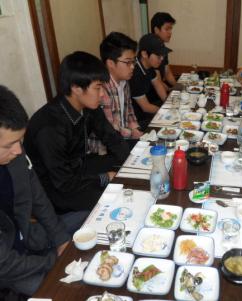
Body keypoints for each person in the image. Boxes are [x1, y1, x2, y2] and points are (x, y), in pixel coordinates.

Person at [24, 51, 130, 215]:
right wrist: (104, 178)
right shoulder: (49, 127)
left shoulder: (87, 105)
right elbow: (63, 182)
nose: (102, 94)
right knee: (114, 199)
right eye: (98, 87)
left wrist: (131, 165)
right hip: (55, 188)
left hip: (78, 167)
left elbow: (111, 137)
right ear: (76, 88)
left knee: (125, 160)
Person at [0, 85, 70, 296]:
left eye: (20, 140)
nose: (19, 150)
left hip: (25, 236)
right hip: (8, 266)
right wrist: (54, 261)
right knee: (61, 290)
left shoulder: (15, 155)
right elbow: (4, 262)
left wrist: (61, 240)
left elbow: (38, 198)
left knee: (85, 223)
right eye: (9, 145)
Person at [97, 32, 143, 150]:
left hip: (124, 139)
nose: (133, 66)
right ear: (110, 63)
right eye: (128, 62)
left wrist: (136, 129)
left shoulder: (124, 81)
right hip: (107, 149)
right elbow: (111, 131)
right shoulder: (101, 88)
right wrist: (132, 133)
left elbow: (130, 113)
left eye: (134, 61)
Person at [129, 33, 171, 128]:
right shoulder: (135, 73)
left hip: (146, 112)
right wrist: (166, 111)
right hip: (137, 119)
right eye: (158, 56)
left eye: (162, 56)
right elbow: (146, 107)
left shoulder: (149, 65)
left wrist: (168, 104)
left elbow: (158, 84)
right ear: (144, 54)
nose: (162, 59)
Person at [151, 12, 177, 88]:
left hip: (161, 88)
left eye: (171, 29)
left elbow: (167, 72)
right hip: (152, 93)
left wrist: (177, 86)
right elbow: (157, 81)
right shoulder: (150, 47)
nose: (170, 32)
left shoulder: (162, 46)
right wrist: (170, 90)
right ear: (156, 30)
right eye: (167, 29)